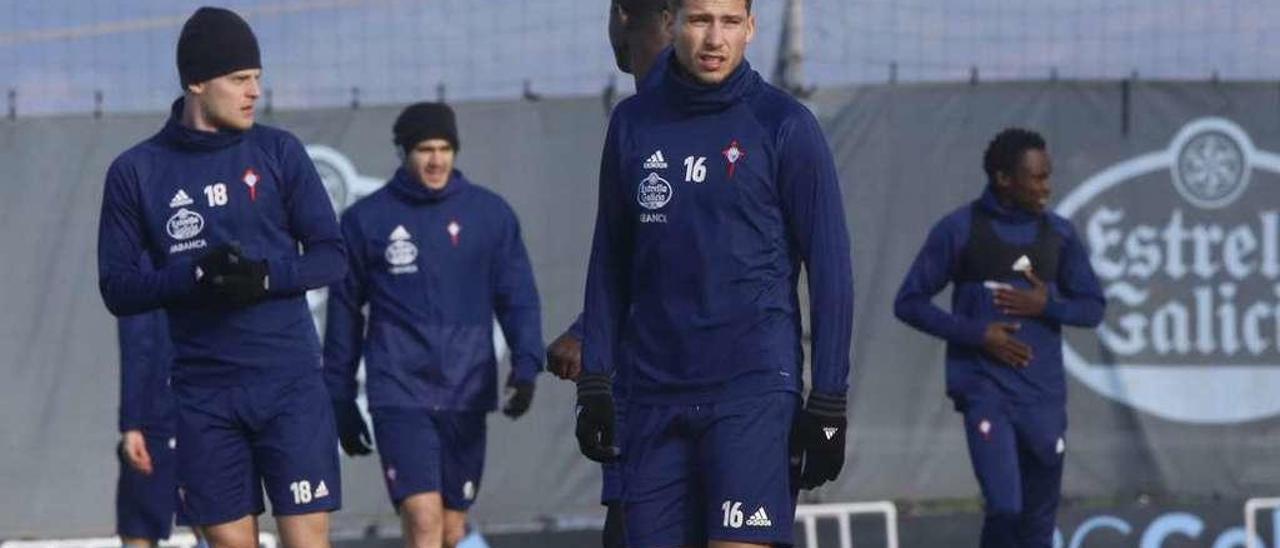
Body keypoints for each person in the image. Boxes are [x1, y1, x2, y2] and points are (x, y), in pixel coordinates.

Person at [574, 0, 855, 545]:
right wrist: (595, 383)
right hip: (653, 396)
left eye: (729, 22)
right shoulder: (633, 125)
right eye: (700, 20)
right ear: (673, 23)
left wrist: (829, 401)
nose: (714, 39)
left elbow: (831, 271)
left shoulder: (785, 126)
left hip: (751, 392)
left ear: (750, 27)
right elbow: (610, 260)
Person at [97, 7, 346, 547]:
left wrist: (263, 278)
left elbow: (332, 255)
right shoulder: (137, 171)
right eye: (239, 80)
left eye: (256, 78)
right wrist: (192, 277)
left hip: (289, 385)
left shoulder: (279, 151)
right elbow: (116, 287)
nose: (253, 91)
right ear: (196, 81)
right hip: (204, 395)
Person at [324, 102, 545, 548]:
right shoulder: (367, 222)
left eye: (445, 148)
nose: (436, 159)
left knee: (450, 528)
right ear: (404, 152)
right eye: (425, 148)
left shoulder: (490, 216)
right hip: (400, 392)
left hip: (466, 391)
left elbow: (517, 297)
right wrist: (340, 398)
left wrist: (526, 366)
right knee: (423, 520)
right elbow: (345, 314)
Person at [894, 128, 1106, 548]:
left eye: (1048, 176)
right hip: (985, 392)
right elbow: (909, 302)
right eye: (1037, 177)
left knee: (1038, 524)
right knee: (1006, 508)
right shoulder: (960, 230)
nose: (1047, 186)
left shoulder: (1059, 236)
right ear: (1004, 179)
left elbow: (1093, 308)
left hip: (1042, 399)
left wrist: (1048, 306)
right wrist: (979, 334)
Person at [545, 1, 672, 545]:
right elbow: (634, 260)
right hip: (642, 391)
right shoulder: (636, 120)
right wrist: (587, 331)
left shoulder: (728, 120)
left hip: (705, 391)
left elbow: (687, 264)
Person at [116, 307, 205, 548]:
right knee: (213, 517)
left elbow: (138, 346)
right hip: (196, 406)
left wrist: (132, 424)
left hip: (170, 411)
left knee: (215, 519)